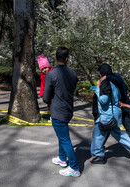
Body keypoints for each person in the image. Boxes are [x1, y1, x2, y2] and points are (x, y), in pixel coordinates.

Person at [90, 64, 130, 164]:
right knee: (117, 133)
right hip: (115, 114)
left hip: (107, 115)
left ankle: (99, 156)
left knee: (97, 134)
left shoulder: (105, 83)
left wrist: (97, 88)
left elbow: (104, 100)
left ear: (101, 73)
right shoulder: (115, 82)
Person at [43, 47, 80, 177]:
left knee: (65, 139)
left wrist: (49, 102)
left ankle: (74, 168)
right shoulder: (73, 74)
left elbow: (46, 97)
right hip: (68, 109)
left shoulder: (51, 74)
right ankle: (62, 158)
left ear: (55, 57)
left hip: (58, 111)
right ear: (67, 59)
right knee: (62, 135)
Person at [100, 64, 130, 157]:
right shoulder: (112, 79)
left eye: (100, 74)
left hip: (124, 107)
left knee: (129, 128)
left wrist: (106, 77)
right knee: (110, 127)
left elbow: (118, 81)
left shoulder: (115, 78)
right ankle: (100, 146)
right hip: (121, 107)